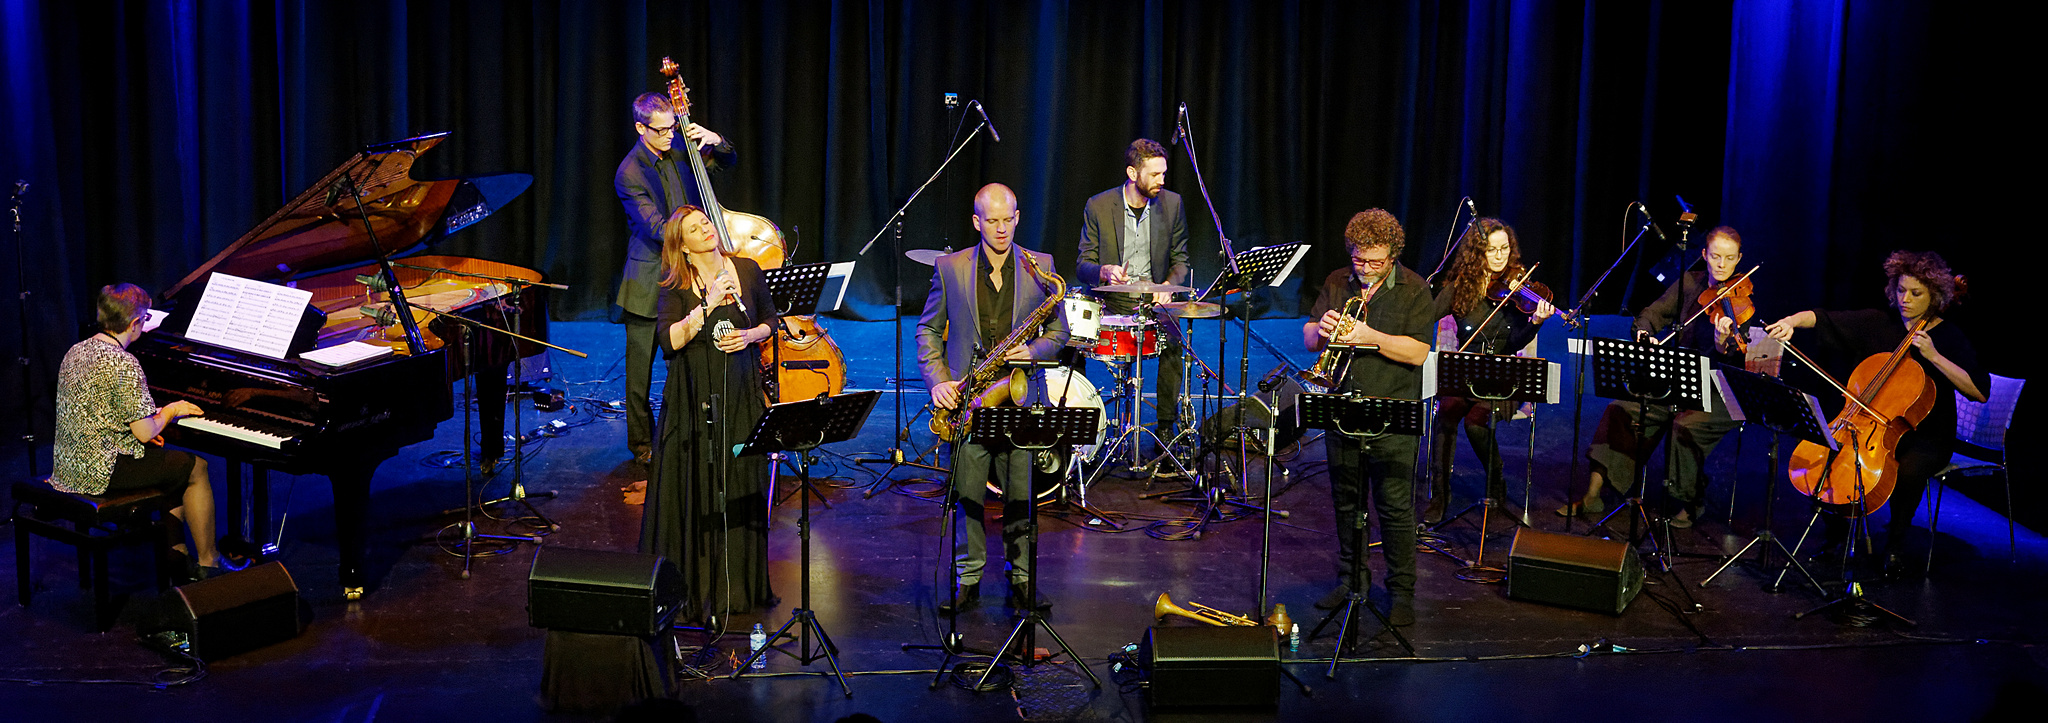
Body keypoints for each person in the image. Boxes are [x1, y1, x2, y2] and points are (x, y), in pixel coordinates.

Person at [1764, 250, 1986, 569]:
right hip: (1868, 425)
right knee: (1832, 456)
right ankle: (1837, 535)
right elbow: (1822, 317)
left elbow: (1978, 391)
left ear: (1935, 295)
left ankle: (1895, 544)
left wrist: (1934, 356)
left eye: (1916, 293)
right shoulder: (1878, 322)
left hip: (1927, 435)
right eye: (1900, 290)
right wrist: (1790, 323)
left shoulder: (1949, 337)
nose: (1905, 299)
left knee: (1909, 471)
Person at [917, 183, 1070, 614]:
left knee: (1020, 494)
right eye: (992, 221)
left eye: (1008, 219)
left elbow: (1060, 333)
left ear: (1017, 218)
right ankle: (968, 580)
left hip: (1018, 397)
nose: (1001, 229)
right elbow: (928, 329)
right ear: (976, 222)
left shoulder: (1041, 266)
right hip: (969, 399)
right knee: (967, 494)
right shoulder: (951, 267)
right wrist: (938, 381)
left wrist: (1034, 351)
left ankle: (1021, 578)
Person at [638, 205, 777, 621]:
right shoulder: (675, 284)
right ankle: (696, 589)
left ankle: (738, 585)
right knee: (698, 481)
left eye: (706, 222)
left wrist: (753, 335)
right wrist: (707, 304)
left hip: (740, 392)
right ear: (682, 246)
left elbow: (771, 317)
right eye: (696, 228)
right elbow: (669, 341)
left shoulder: (747, 269)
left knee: (738, 478)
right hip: (694, 397)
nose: (706, 229)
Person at [1561, 226, 1748, 528]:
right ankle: (1593, 493)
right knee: (1621, 408)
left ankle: (1691, 500)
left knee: (1684, 426)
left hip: (1720, 389)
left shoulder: (1742, 300)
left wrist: (1720, 340)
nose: (1722, 265)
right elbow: (1651, 313)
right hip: (1681, 377)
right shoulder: (1690, 283)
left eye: (1729, 258)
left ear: (1739, 259)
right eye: (1715, 257)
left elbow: (1735, 356)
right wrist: (1645, 333)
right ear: (1704, 255)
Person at [1301, 210, 1435, 626]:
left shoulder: (1414, 289)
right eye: (1359, 260)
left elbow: (1417, 352)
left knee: (1395, 509)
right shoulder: (1338, 281)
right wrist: (1322, 331)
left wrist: (1368, 336)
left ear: (1393, 255)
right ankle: (1351, 580)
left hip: (1392, 413)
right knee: (1347, 504)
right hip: (1344, 409)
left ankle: (1401, 593)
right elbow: (1308, 339)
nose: (1366, 270)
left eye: (1375, 263)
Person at [51, 284, 222, 579]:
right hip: (102, 471)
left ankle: (177, 558)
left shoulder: (76, 351)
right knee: (196, 467)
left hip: (68, 466)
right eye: (144, 320)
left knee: (168, 467)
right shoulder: (124, 362)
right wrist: (171, 410)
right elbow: (144, 433)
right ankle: (210, 563)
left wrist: (144, 425)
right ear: (134, 324)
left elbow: (99, 411)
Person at [615, 91, 736, 473]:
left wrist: (718, 143)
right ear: (640, 128)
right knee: (640, 373)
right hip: (650, 279)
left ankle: (686, 433)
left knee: (685, 363)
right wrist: (701, 231)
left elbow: (723, 163)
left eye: (673, 126)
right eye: (663, 130)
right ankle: (641, 445)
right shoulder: (630, 173)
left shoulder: (682, 149)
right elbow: (656, 228)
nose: (671, 134)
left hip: (685, 276)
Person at [1424, 218, 1554, 524]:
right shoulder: (1460, 287)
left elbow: (1515, 342)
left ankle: (1496, 480)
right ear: (1476, 253)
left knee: (1475, 422)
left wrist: (1535, 322)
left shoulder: (1519, 289)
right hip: (1465, 373)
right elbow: (1426, 316)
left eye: (1504, 249)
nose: (1499, 256)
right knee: (1447, 411)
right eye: (1491, 250)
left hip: (1502, 377)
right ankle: (1440, 496)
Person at [1076, 139, 1191, 433]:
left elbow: (1181, 260)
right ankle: (1081, 422)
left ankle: (1166, 424)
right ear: (1132, 173)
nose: (1161, 181)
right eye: (1154, 175)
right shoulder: (1098, 206)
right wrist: (1104, 270)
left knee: (1175, 340)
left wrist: (1166, 286)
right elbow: (1082, 265)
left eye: (1163, 174)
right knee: (1070, 341)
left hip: (1153, 300)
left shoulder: (1172, 204)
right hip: (1111, 300)